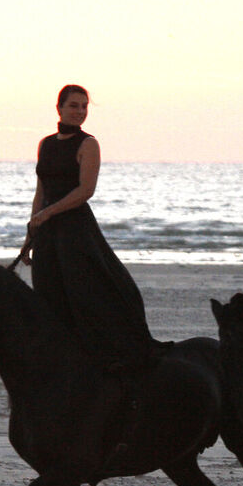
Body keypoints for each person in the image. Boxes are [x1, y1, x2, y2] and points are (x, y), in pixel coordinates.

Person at [19, 84, 157, 369]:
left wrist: (47, 214)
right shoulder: (46, 144)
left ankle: (101, 358)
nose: (80, 111)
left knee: (85, 296)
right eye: (74, 105)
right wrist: (31, 233)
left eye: (84, 106)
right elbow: (41, 191)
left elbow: (85, 191)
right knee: (47, 294)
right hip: (47, 232)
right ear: (59, 108)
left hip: (75, 230)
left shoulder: (88, 144)